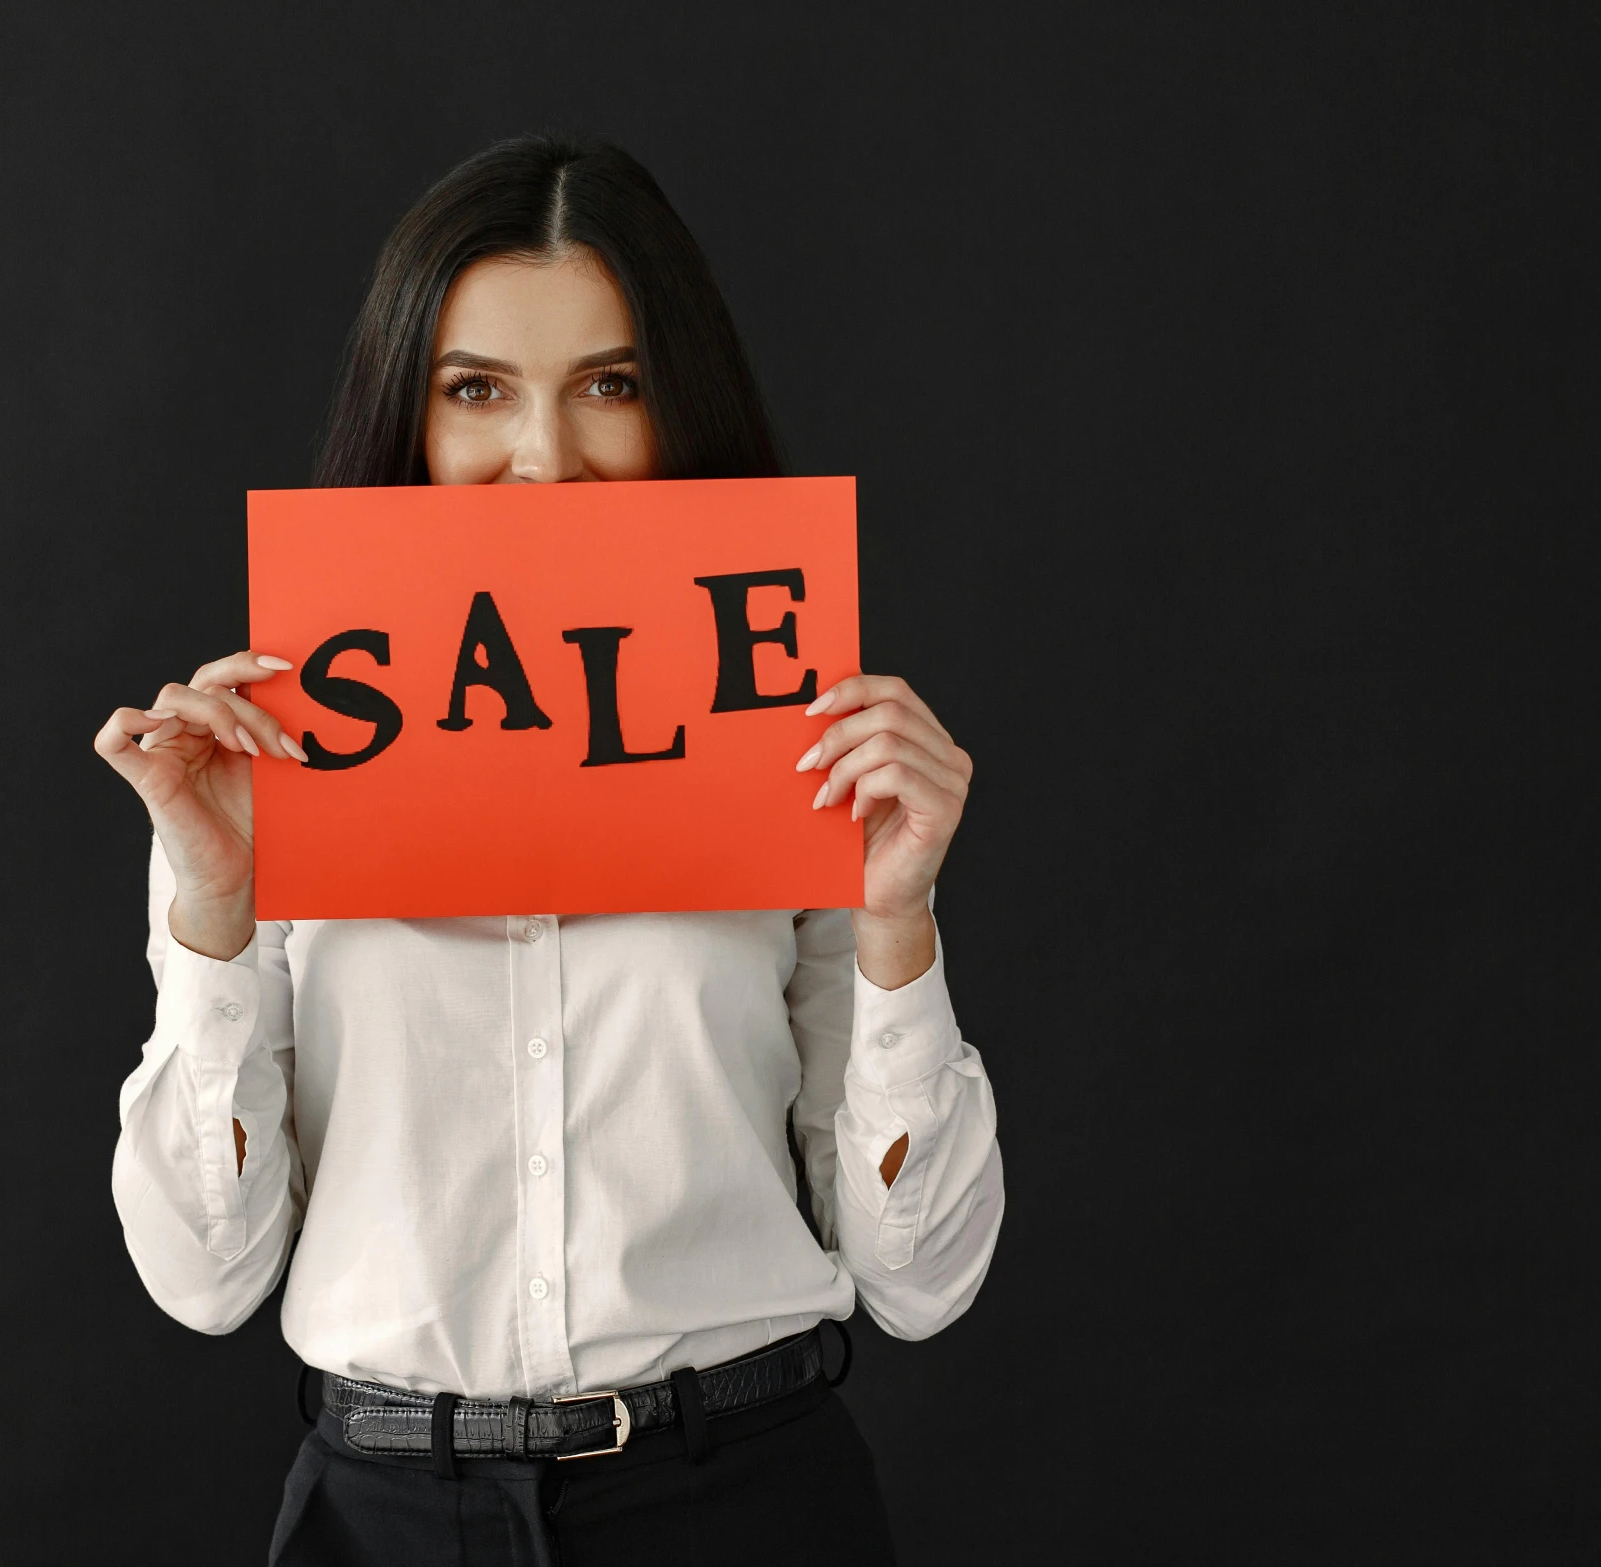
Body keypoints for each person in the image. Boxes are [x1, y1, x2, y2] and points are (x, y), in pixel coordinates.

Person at [93, 133, 1003, 1566]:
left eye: (609, 386)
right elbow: (205, 1279)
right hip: (385, 1511)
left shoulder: (797, 743)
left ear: (674, 403)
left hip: (742, 1497)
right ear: (411, 414)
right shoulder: (270, 772)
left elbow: (924, 1279)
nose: (544, 460)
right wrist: (214, 904)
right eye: (477, 392)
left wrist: (895, 920)